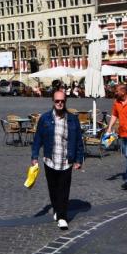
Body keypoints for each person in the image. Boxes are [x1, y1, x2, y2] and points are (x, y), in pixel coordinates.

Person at [31, 91, 84, 230]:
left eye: (62, 101)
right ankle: (56, 208)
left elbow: (79, 141)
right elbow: (38, 139)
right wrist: (34, 156)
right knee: (53, 189)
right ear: (53, 101)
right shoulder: (45, 118)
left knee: (64, 190)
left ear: (65, 101)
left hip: (66, 161)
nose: (60, 103)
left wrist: (79, 160)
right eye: (57, 101)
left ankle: (62, 217)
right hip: (50, 160)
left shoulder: (72, 119)